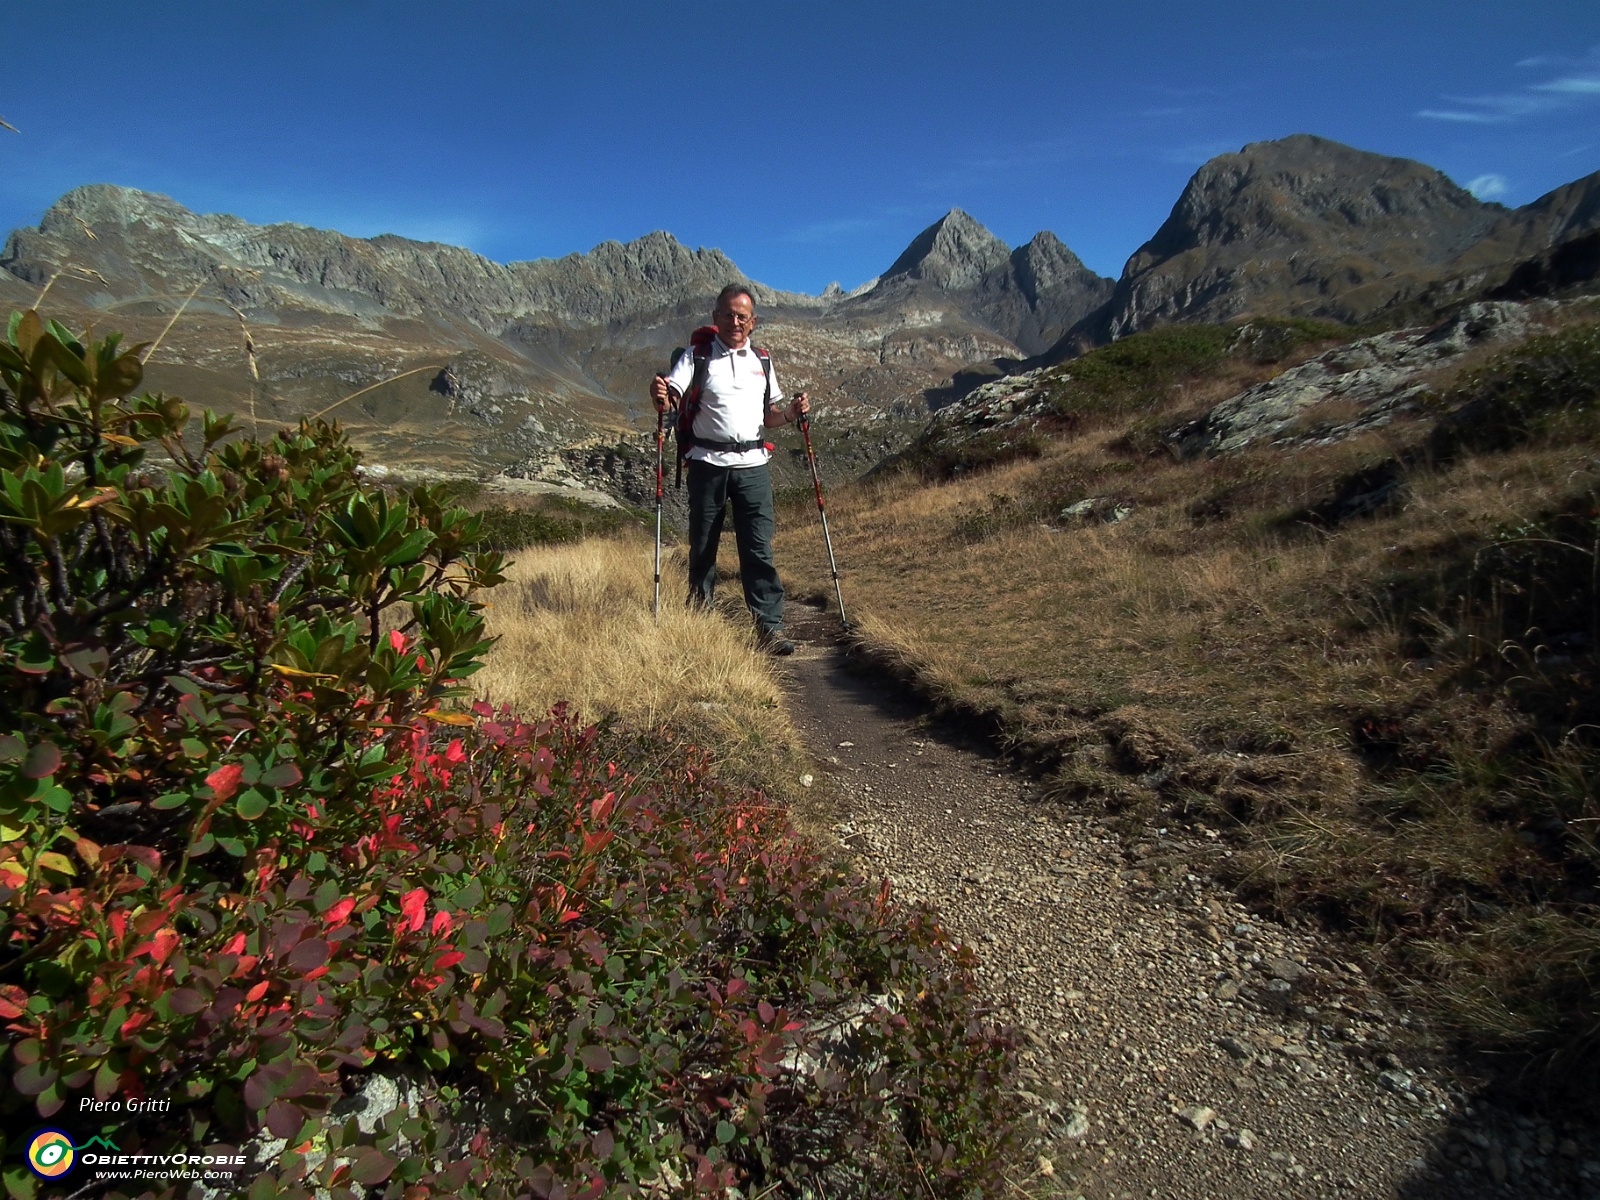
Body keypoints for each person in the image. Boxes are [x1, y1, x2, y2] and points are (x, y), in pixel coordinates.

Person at [651, 284, 810, 655]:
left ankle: (770, 629)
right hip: (708, 465)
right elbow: (672, 397)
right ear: (715, 318)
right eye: (728, 314)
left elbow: (768, 417)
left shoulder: (763, 362)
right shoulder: (697, 357)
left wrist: (790, 414)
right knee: (703, 547)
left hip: (753, 465)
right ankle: (700, 623)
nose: (735, 321)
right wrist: (661, 396)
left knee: (757, 547)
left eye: (742, 316)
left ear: (752, 322)